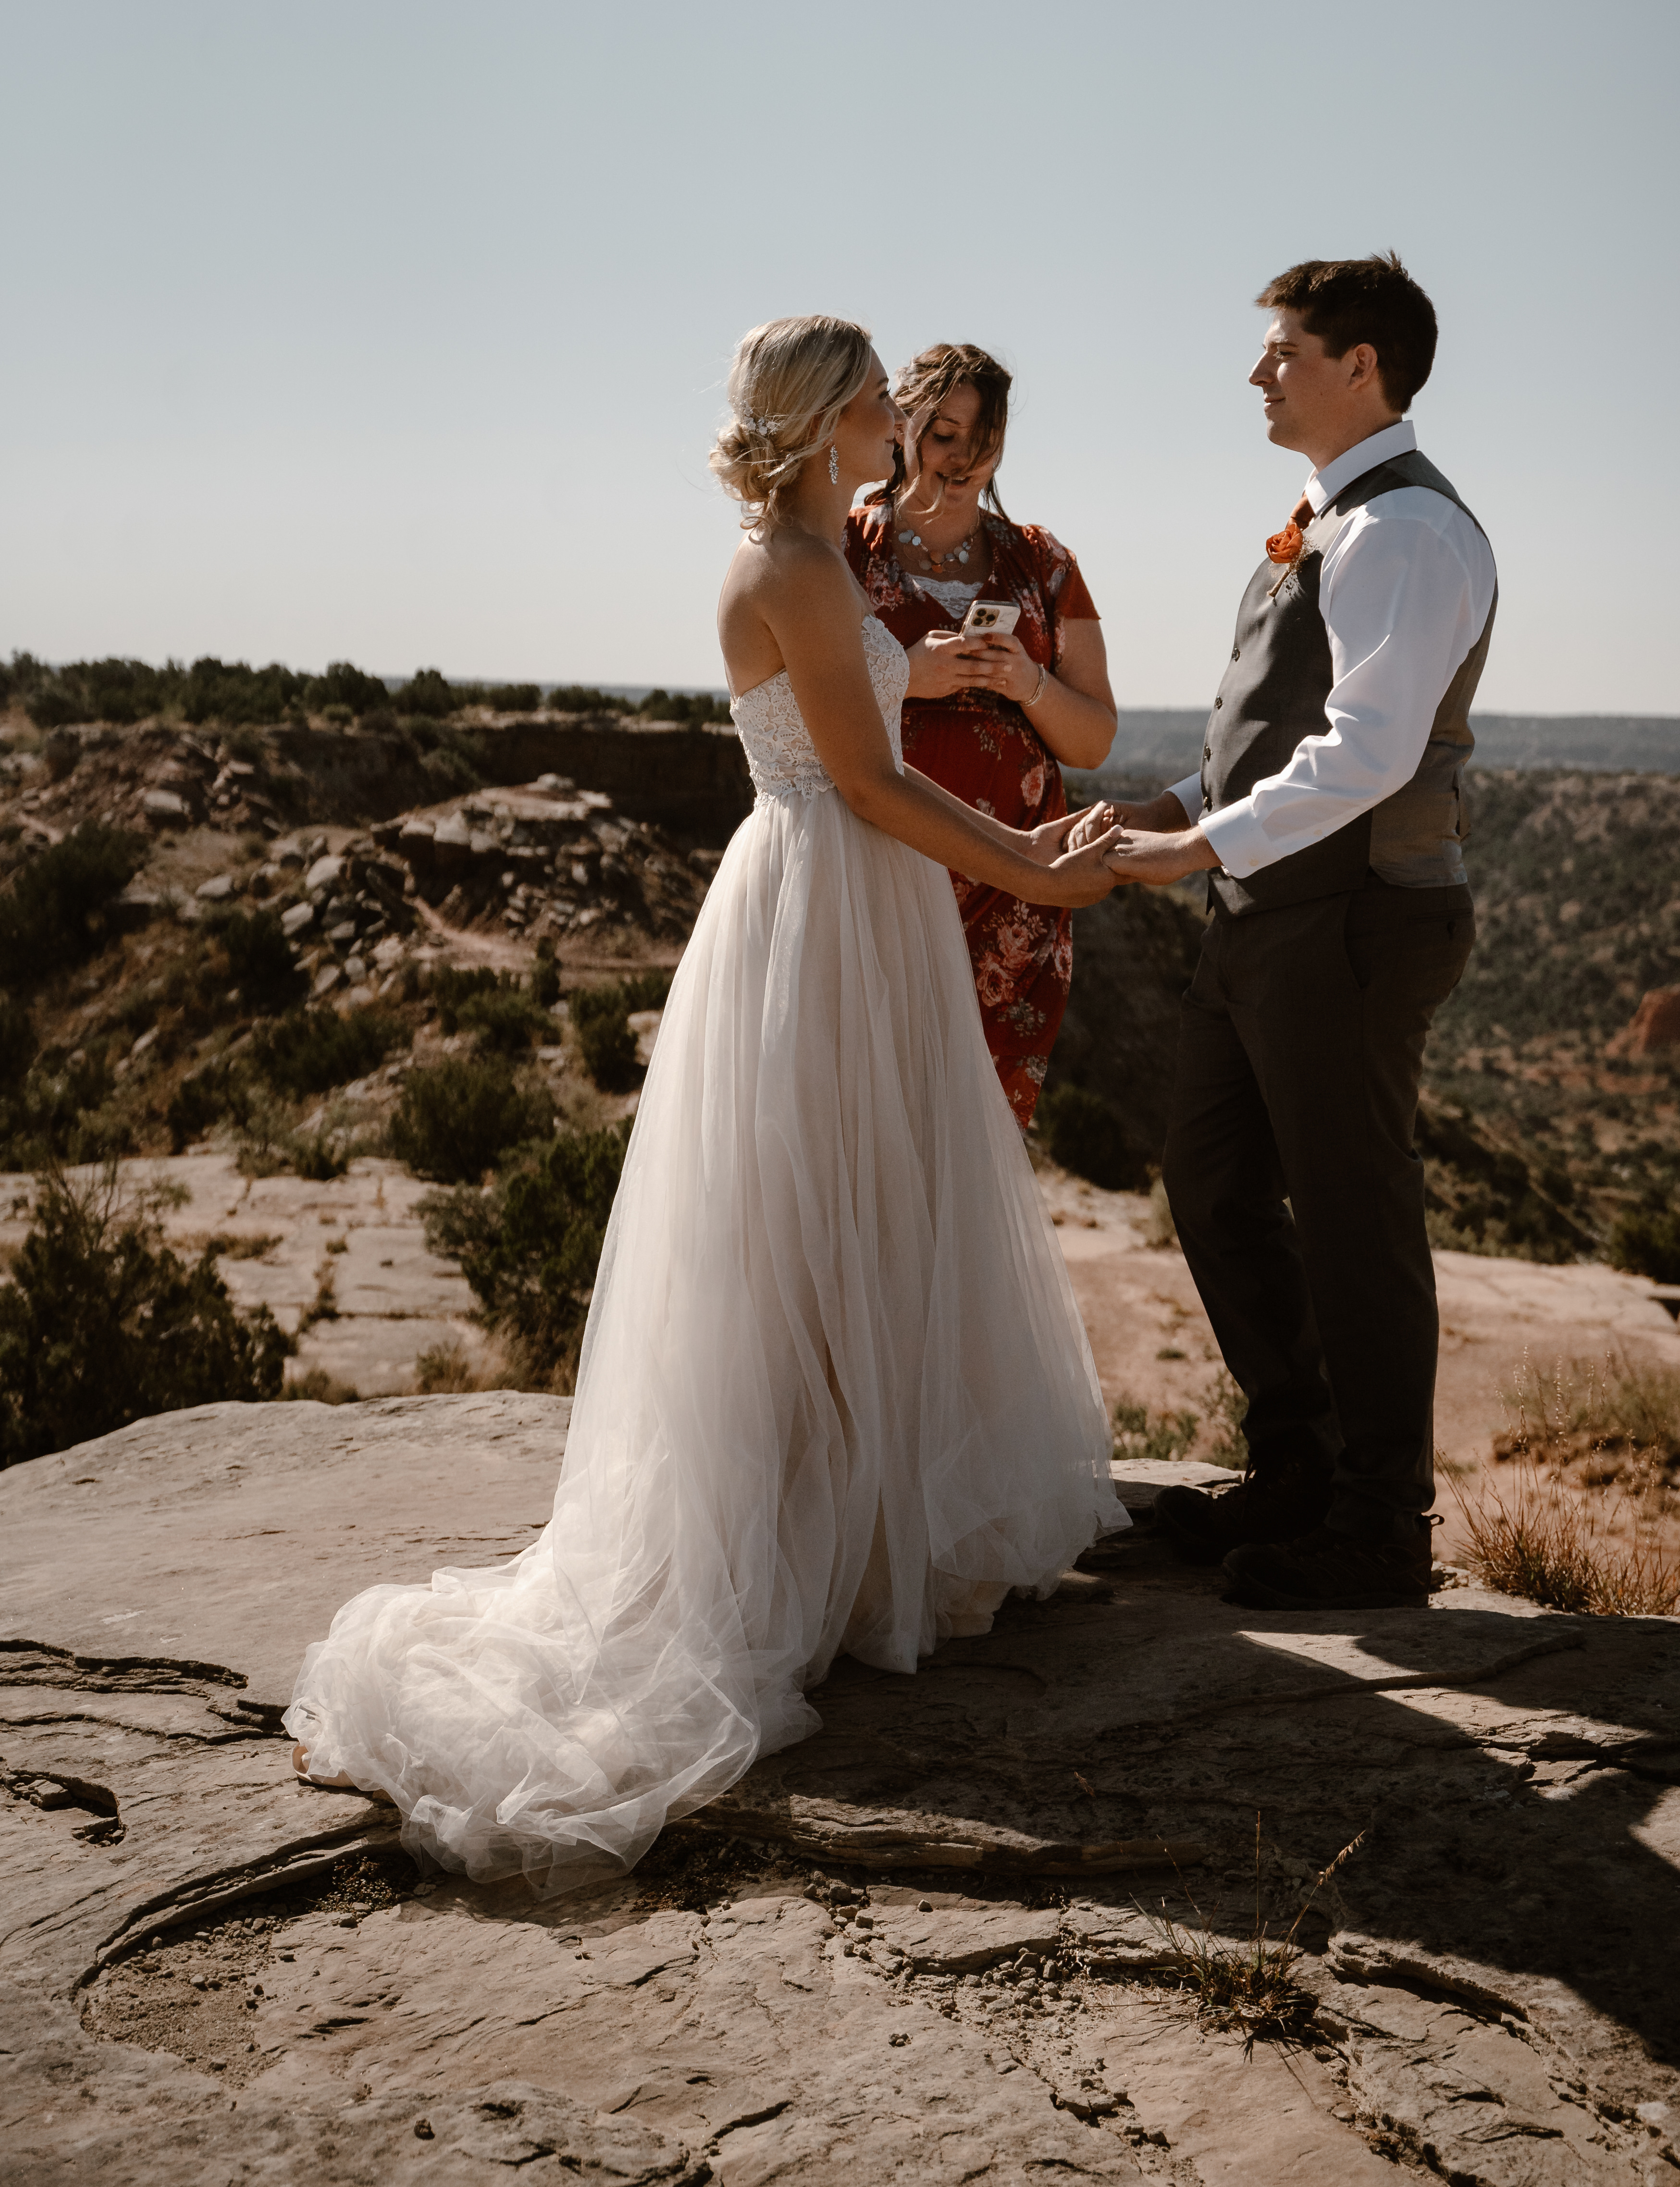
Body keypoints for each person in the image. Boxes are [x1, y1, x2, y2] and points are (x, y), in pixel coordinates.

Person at [286, 317, 1125, 1887]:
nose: (902, 419)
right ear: (827, 423)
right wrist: (1033, 863)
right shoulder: (798, 572)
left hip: (857, 906)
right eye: (881, 399)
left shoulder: (817, 556)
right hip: (827, 900)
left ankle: (856, 1543)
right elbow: (868, 783)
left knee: (867, 1222)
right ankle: (798, 1567)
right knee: (808, 1235)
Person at [1075, 253, 1496, 1613]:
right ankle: (1301, 1467)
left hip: (1360, 919)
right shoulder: (1326, 517)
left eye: (1284, 351)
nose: (1260, 373)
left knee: (1357, 1216)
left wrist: (1193, 848)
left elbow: (1367, 754)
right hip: (1264, 908)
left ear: (1358, 366)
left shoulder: (1409, 533)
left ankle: (1383, 1524)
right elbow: (1281, 737)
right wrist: (1168, 805)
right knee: (1209, 1182)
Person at [844, 344, 1117, 1126]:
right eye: (944, 434)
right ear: (902, 428)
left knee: (978, 1132)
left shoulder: (1043, 562)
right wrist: (906, 674)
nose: (964, 459)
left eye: (985, 439)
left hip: (1014, 888)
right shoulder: (842, 550)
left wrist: (1025, 682)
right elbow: (791, 699)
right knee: (872, 1120)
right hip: (882, 867)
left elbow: (1094, 742)